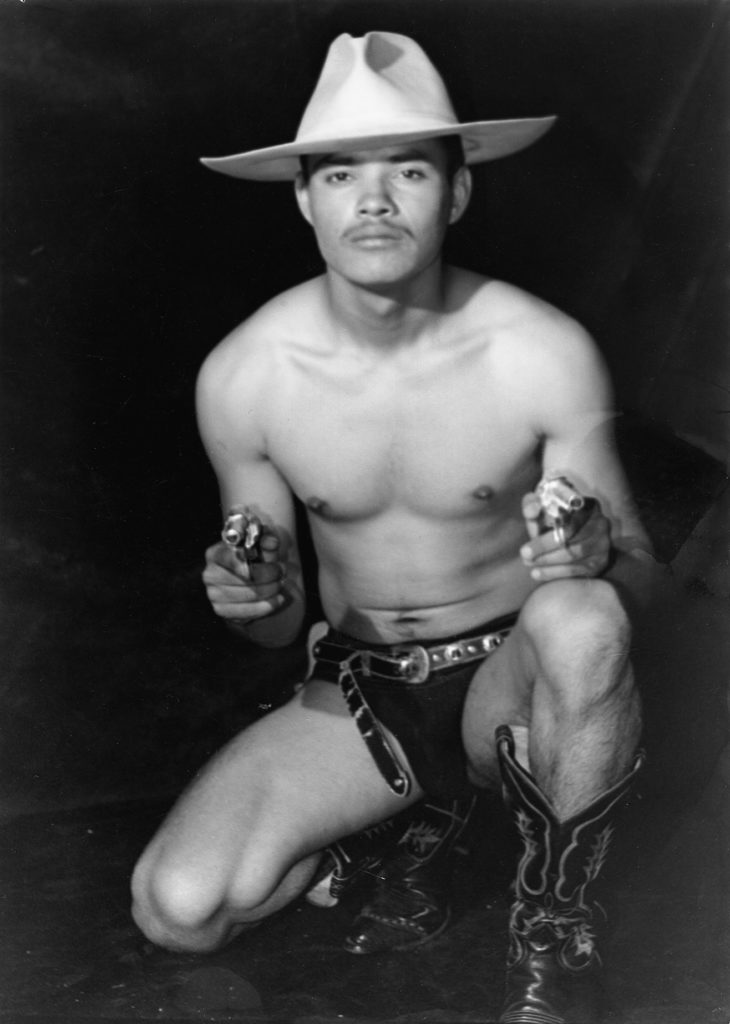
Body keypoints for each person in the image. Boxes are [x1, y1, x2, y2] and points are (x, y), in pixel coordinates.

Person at [131, 31, 661, 1023]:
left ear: (455, 193)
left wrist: (594, 557)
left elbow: (642, 588)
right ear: (303, 196)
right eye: (340, 174)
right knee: (180, 909)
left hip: (509, 687)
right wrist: (254, 598)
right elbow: (274, 631)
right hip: (363, 692)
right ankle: (385, 826)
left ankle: (554, 929)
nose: (372, 200)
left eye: (408, 169)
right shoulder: (246, 374)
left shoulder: (541, 352)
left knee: (583, 617)